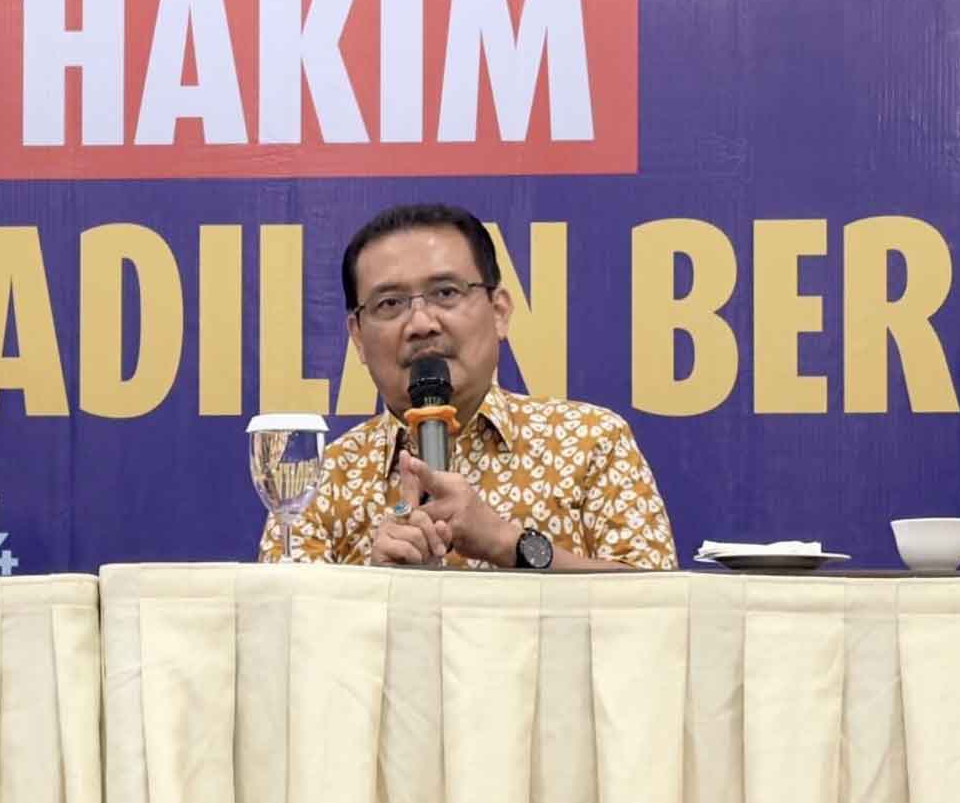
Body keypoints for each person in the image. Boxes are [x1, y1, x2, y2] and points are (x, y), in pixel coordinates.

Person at [281, 203, 678, 570]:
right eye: (390, 303)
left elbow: (661, 603)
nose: (421, 324)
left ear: (499, 311)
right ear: (357, 336)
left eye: (446, 293)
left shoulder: (590, 442)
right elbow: (278, 617)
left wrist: (509, 545)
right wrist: (374, 591)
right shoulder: (319, 482)